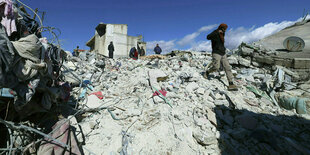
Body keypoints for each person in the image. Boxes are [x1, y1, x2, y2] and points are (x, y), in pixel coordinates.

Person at [205, 23, 238, 91]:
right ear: (220, 28)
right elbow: (208, 37)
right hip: (216, 52)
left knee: (227, 67)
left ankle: (231, 83)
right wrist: (217, 32)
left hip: (223, 53)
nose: (225, 30)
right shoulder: (215, 32)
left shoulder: (223, 34)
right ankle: (207, 72)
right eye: (224, 29)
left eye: (225, 29)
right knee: (216, 67)